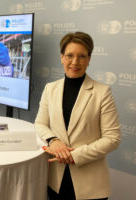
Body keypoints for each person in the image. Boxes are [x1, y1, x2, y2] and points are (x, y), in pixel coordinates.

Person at [34, 32, 121, 200]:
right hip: (55, 179)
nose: (75, 62)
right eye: (69, 56)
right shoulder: (50, 89)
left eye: (82, 56)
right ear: (62, 57)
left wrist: (75, 155)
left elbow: (112, 138)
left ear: (89, 59)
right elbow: (40, 123)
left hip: (89, 183)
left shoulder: (102, 92)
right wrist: (54, 140)